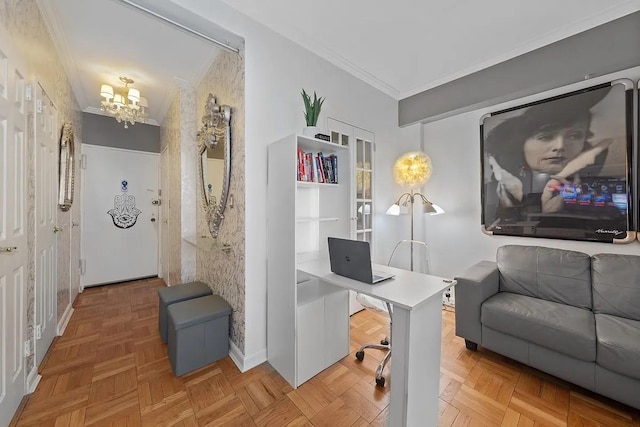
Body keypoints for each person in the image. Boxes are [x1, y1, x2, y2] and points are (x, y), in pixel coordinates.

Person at [482, 86, 626, 233]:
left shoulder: (594, 190)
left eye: (574, 135)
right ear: (521, 145)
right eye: (545, 137)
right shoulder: (494, 193)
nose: (560, 146)